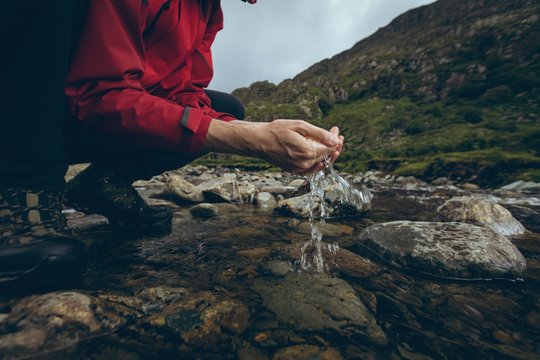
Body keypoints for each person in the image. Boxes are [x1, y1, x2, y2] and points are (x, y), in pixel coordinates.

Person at [0, 0, 344, 291]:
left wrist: (265, 135)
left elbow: (185, 98)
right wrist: (254, 139)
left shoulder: (206, 9)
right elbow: (99, 95)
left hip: (75, 114)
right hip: (28, 108)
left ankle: (101, 185)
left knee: (228, 110)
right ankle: (22, 191)